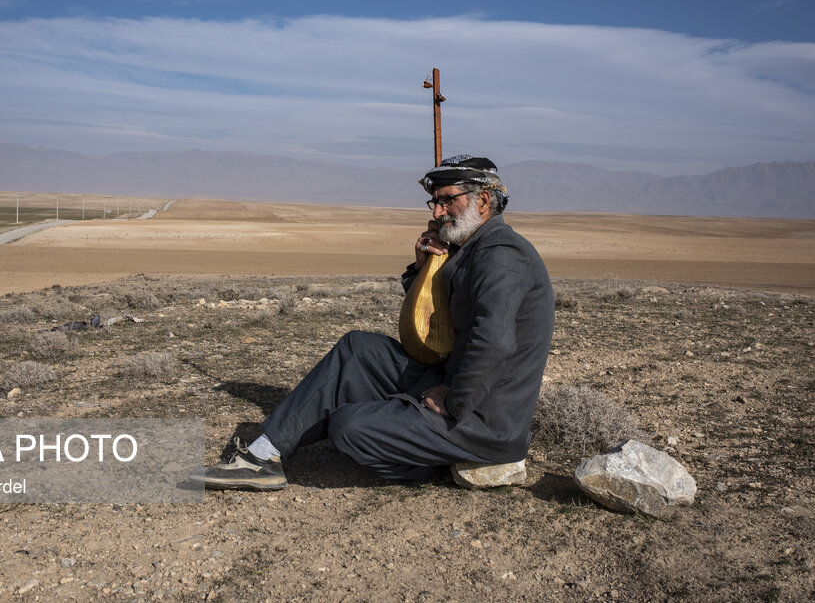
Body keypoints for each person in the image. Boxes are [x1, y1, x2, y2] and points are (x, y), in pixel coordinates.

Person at [196, 154, 555, 490]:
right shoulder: (470, 250)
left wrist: (455, 400)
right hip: (453, 379)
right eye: (435, 202)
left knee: (348, 426)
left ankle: (426, 463)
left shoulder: (502, 256)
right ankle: (263, 454)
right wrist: (423, 266)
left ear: (483, 201)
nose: (440, 211)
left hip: (483, 420)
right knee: (358, 349)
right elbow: (435, 322)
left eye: (449, 200)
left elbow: (494, 341)